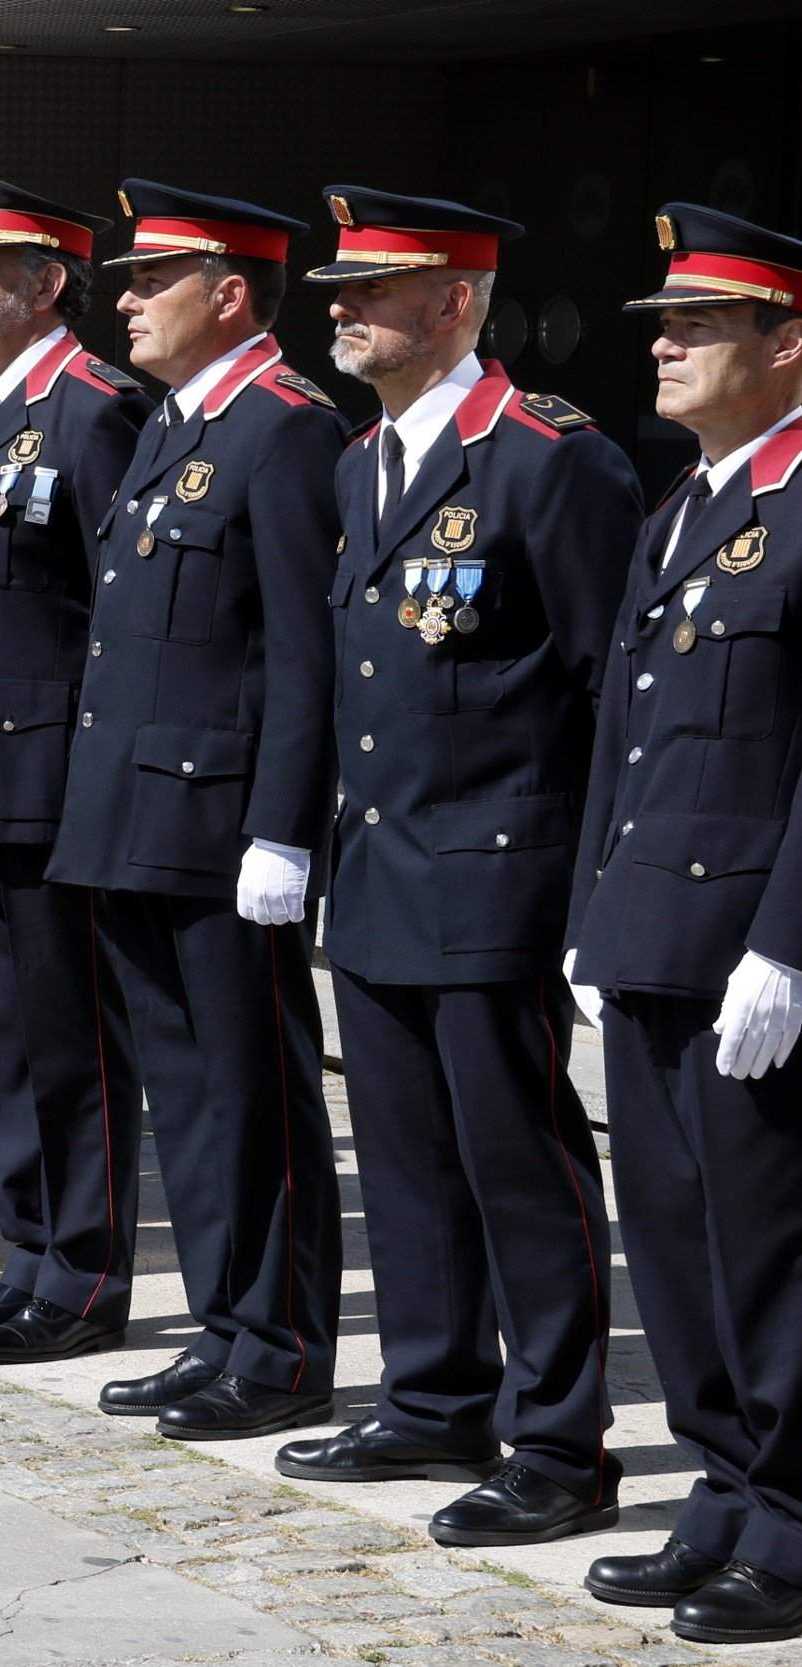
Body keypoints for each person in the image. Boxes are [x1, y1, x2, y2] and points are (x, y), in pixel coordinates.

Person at [289, 187, 636, 1544]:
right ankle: (433, 1391)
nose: (343, 311)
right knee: (406, 1154)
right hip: (380, 865)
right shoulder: (360, 459)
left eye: (373, 292)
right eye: (339, 292)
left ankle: (560, 1439)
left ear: (454, 304)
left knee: (519, 1161)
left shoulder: (549, 458)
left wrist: (596, 898)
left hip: (499, 869)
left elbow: (613, 687)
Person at [47, 181, 347, 1443]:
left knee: (252, 1089)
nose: (122, 300)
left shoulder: (286, 429)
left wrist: (282, 826)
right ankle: (225, 1322)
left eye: (145, 281)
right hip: (135, 816)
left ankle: (279, 1342)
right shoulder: (181, 421)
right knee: (183, 1088)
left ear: (228, 294)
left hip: (223, 827)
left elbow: (300, 648)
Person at [569, 204, 802, 1644]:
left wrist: (791, 939)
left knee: (771, 1248)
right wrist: (592, 919)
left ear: (788, 342)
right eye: (663, 324)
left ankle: (789, 1517)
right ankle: (723, 1486)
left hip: (754, 950)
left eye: (697, 325)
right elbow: (625, 735)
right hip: (652, 936)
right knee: (669, 1234)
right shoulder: (684, 503)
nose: (662, 345)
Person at [0, 174, 152, 1361]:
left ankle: (86, 1273)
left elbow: (119, 614)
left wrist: (99, 791)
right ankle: (27, 1255)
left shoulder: (94, 407)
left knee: (69, 1041)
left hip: (50, 786)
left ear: (50, 283)